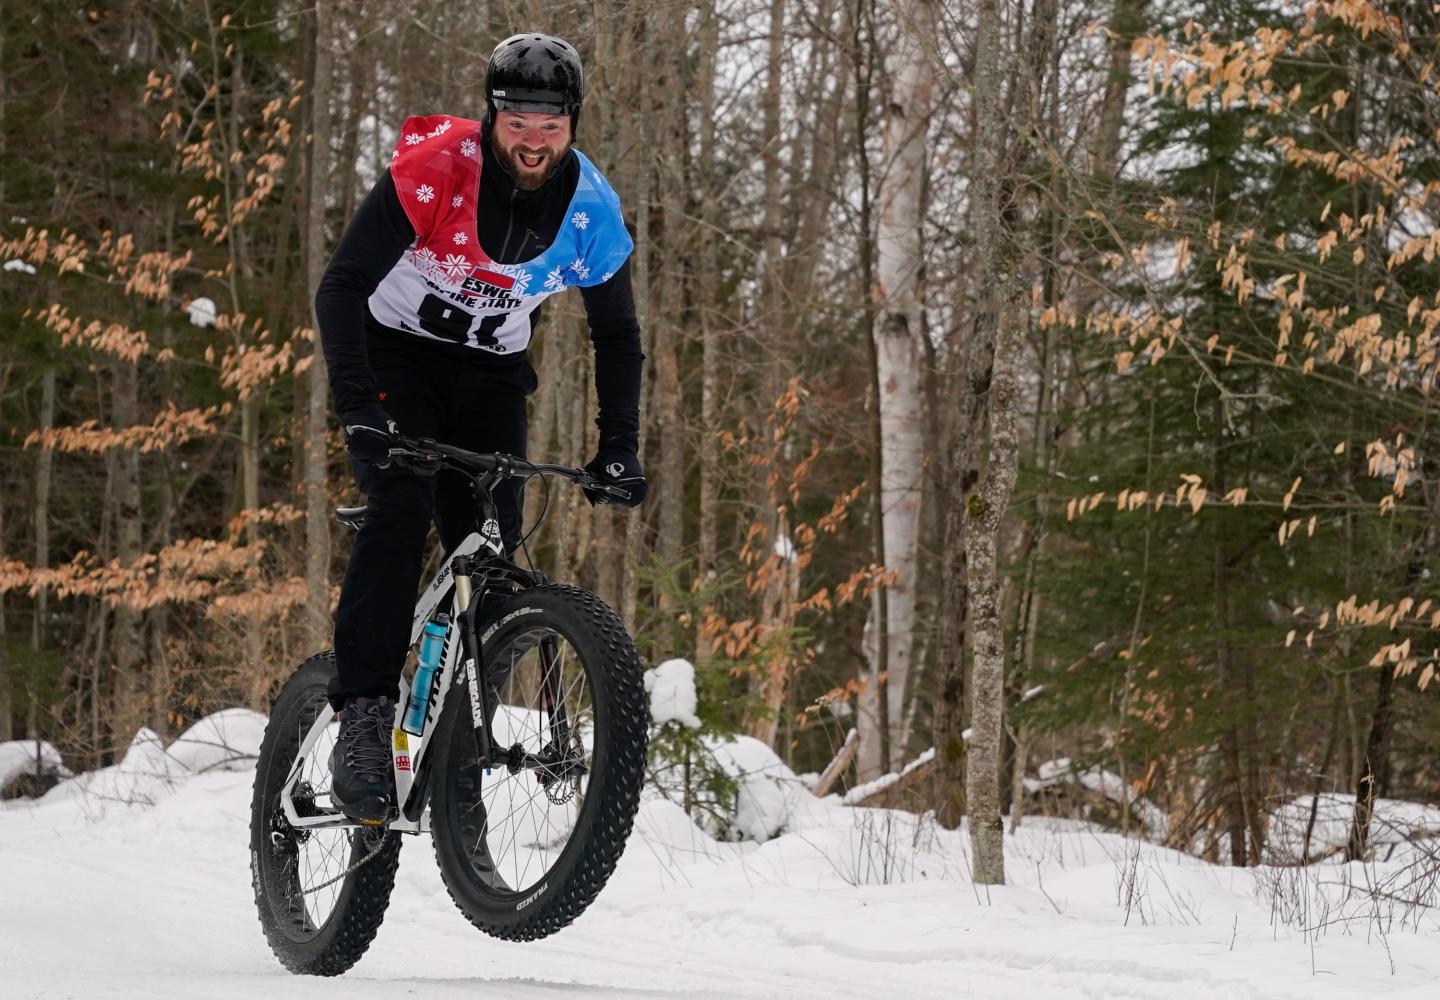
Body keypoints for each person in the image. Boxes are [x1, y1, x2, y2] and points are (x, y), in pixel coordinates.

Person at [314, 32, 646, 823]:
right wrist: (360, 411)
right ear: (493, 118)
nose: (534, 141)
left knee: (490, 552)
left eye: (551, 124)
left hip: (491, 375)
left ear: (572, 124)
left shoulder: (590, 211)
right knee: (400, 507)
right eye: (518, 122)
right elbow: (341, 286)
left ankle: (455, 734)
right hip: (396, 355)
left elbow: (618, 335)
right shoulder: (436, 172)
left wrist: (619, 446)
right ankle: (362, 713)